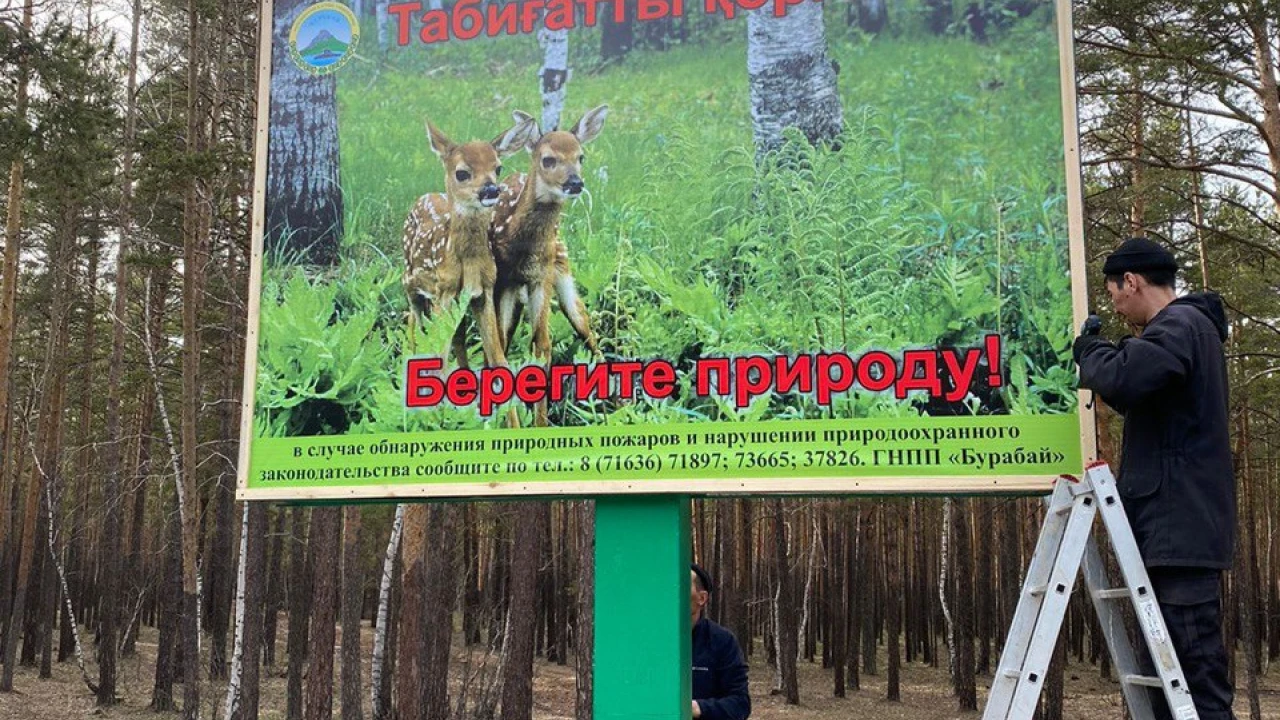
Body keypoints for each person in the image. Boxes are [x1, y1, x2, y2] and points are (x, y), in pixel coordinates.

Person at [1073, 236, 1236, 720]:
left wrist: (1092, 353)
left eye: (1116, 293)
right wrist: (1112, 358)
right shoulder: (1183, 333)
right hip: (1174, 529)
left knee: (1194, 676)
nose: (1117, 306)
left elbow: (1125, 378)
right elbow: (1139, 390)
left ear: (1132, 280)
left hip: (1179, 532)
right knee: (1173, 679)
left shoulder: (1181, 325)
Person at [690, 563, 751, 720]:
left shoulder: (722, 641)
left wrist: (698, 708)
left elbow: (740, 704)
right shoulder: (649, 640)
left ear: (701, 598)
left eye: (682, 585)